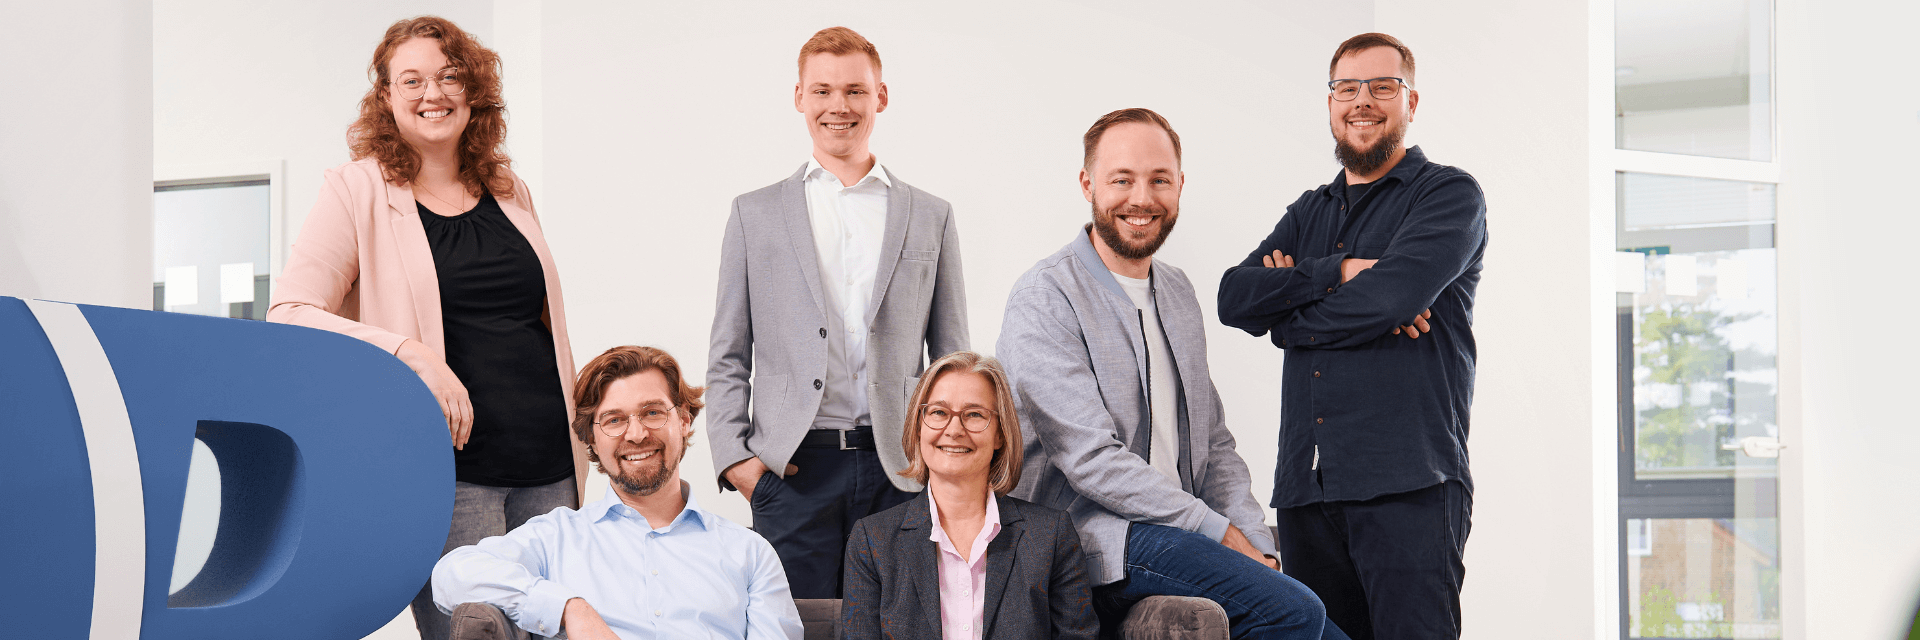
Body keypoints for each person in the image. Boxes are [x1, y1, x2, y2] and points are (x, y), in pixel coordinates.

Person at [265, 16, 585, 640]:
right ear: (386, 96)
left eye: (449, 76)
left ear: (474, 90)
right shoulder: (356, 189)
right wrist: (410, 352)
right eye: (411, 80)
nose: (432, 93)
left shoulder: (509, 189)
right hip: (450, 475)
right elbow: (291, 313)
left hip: (550, 466)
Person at [999, 108, 1347, 640]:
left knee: (1324, 626)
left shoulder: (1178, 291)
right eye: (1122, 180)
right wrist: (1220, 533)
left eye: (1159, 180)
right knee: (1295, 612)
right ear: (1087, 185)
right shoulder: (1045, 296)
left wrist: (1257, 543)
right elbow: (1090, 459)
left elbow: (1215, 443)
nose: (1142, 198)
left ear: (1181, 185)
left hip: (1180, 533)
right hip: (1094, 540)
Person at [1215, 33, 1485, 640]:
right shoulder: (1309, 211)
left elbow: (1393, 299)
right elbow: (1234, 297)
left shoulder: (1447, 195)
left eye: (1382, 86)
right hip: (1306, 490)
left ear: (1411, 102)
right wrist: (1336, 272)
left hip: (1409, 487)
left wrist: (1288, 320)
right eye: (1347, 88)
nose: (1362, 100)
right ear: (1331, 102)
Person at [707, 26, 970, 599]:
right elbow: (728, 350)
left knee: (903, 624)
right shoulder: (754, 214)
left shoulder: (931, 215)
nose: (839, 106)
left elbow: (952, 359)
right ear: (799, 97)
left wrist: (947, 462)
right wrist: (736, 461)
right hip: (793, 471)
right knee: (795, 626)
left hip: (902, 467)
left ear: (881, 96)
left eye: (855, 90)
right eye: (822, 91)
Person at [432, 346, 804, 640]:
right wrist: (569, 608)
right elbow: (451, 576)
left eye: (653, 413)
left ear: (684, 420)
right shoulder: (555, 537)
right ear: (591, 439)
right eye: (614, 420)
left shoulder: (750, 553)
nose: (636, 434)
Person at [842, 351, 1098, 640]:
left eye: (975, 414)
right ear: (918, 426)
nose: (954, 430)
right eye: (939, 412)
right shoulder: (872, 541)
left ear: (1000, 434)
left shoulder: (1051, 536)